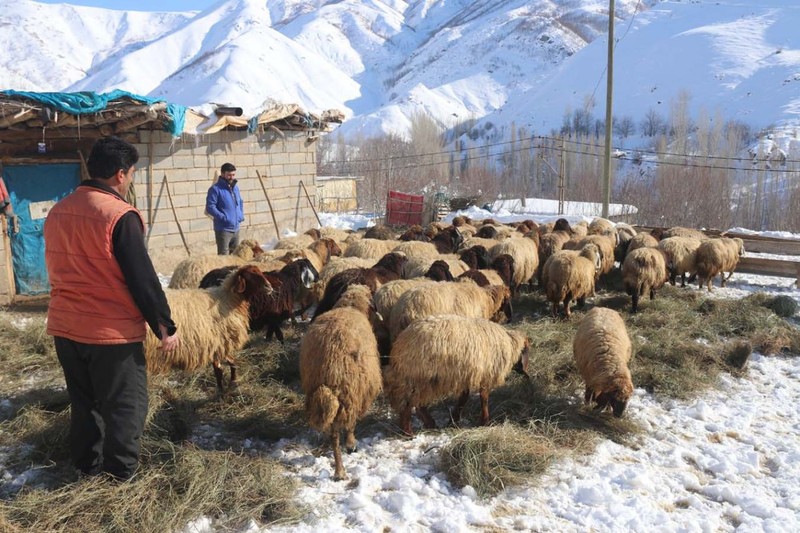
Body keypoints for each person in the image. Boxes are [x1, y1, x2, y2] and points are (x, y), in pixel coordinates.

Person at [43, 136, 179, 481]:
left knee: (85, 402)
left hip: (66, 327)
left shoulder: (59, 210)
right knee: (125, 406)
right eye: (132, 173)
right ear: (120, 174)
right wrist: (163, 324)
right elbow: (141, 277)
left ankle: (86, 468)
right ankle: (120, 476)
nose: (131, 179)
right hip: (110, 333)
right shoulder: (118, 215)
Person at [205, 162, 244, 255]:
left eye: (233, 175)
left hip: (236, 228)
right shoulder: (215, 189)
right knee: (224, 257)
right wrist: (224, 218)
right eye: (229, 175)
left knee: (235, 256)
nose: (231, 177)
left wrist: (240, 215)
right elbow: (210, 207)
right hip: (223, 229)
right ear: (223, 174)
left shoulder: (235, 188)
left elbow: (240, 202)